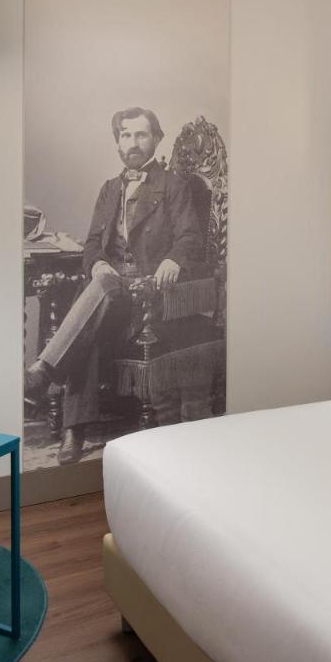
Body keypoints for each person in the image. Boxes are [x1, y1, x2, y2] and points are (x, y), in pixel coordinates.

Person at [24, 107, 203, 464]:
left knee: (90, 317)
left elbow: (191, 237)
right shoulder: (109, 189)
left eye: (141, 134)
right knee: (94, 311)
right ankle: (73, 429)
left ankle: (47, 377)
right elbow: (92, 243)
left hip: (148, 295)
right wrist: (97, 262)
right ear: (117, 142)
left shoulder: (173, 186)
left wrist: (173, 260)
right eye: (125, 135)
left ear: (156, 139)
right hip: (109, 292)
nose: (132, 143)